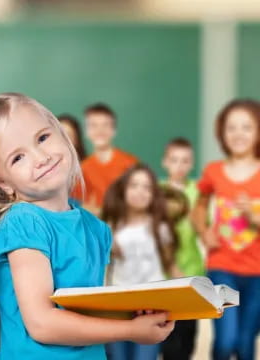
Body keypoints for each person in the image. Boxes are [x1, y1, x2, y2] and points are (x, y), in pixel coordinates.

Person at [0, 92, 174, 360]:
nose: (40, 157)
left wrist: (140, 313)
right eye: (17, 158)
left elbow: (87, 311)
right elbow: (42, 323)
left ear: (64, 135)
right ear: (1, 184)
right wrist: (130, 329)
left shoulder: (95, 228)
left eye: (42, 138)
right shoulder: (24, 222)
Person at [192, 99, 260, 360]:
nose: (238, 134)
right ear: (222, 133)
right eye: (231, 128)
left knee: (244, 344)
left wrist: (252, 216)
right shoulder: (214, 171)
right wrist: (203, 230)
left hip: (257, 273)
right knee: (224, 341)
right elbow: (198, 207)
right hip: (222, 267)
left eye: (246, 127)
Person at [102, 163, 178, 360]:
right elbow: (104, 271)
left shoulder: (160, 229)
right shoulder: (110, 229)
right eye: (134, 185)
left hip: (152, 309)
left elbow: (170, 266)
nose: (140, 192)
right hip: (118, 309)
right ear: (124, 190)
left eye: (147, 187)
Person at [161, 137, 205, 360]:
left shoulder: (198, 193)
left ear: (192, 164)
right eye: (174, 160)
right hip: (162, 275)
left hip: (191, 271)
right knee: (168, 334)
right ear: (165, 162)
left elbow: (204, 227)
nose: (179, 166)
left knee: (188, 333)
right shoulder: (155, 192)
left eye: (185, 161)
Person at [72, 103, 137, 215]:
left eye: (105, 125)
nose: (100, 130)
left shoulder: (130, 163)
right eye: (94, 125)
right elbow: (82, 206)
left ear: (114, 130)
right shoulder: (83, 169)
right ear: (86, 132)